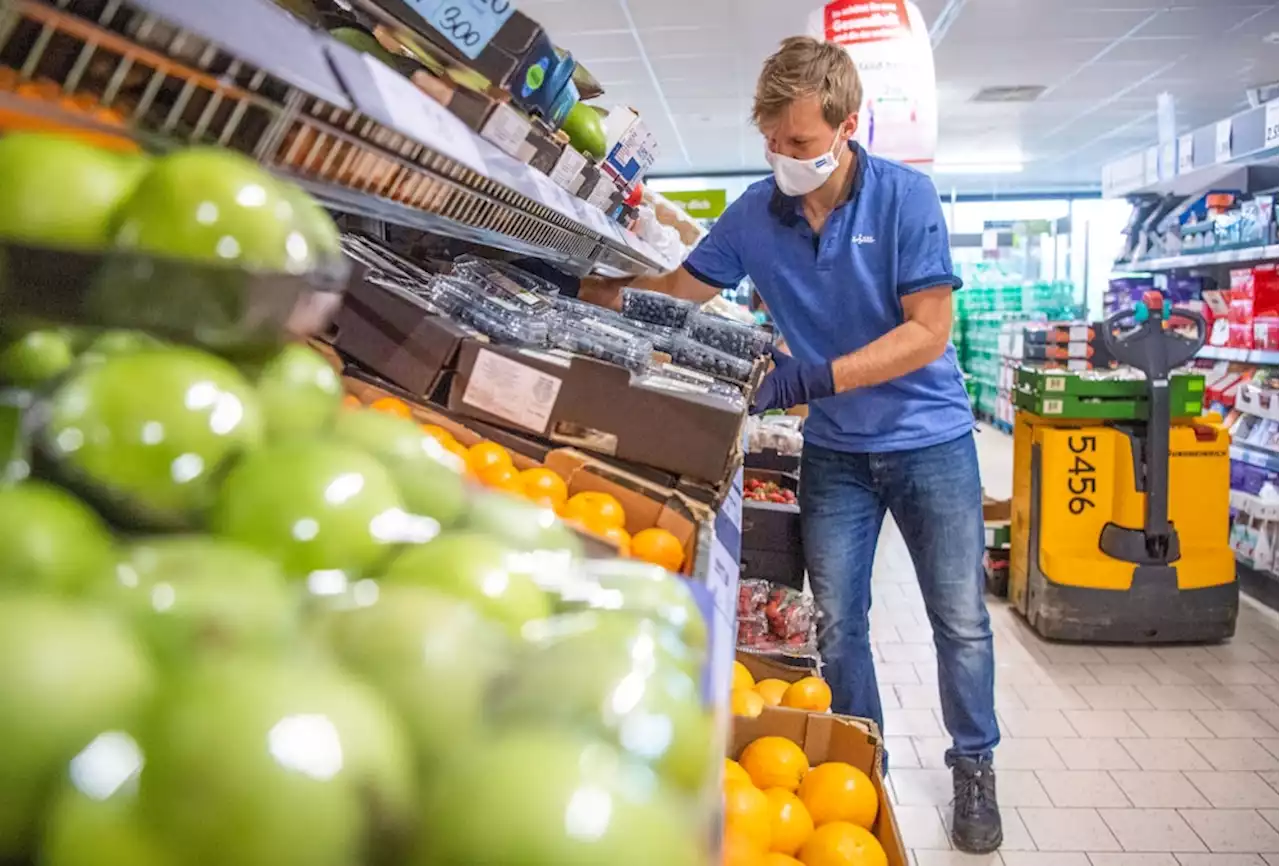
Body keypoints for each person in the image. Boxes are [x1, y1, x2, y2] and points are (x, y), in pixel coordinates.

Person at [581, 36, 1002, 854]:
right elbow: (680, 293)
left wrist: (807, 381)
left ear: (848, 126)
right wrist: (598, 297)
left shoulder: (905, 199)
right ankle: (861, 759)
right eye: (772, 139)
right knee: (840, 622)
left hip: (930, 442)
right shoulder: (755, 214)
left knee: (959, 621)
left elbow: (927, 333)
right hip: (839, 454)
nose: (783, 155)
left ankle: (975, 764)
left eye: (801, 143)